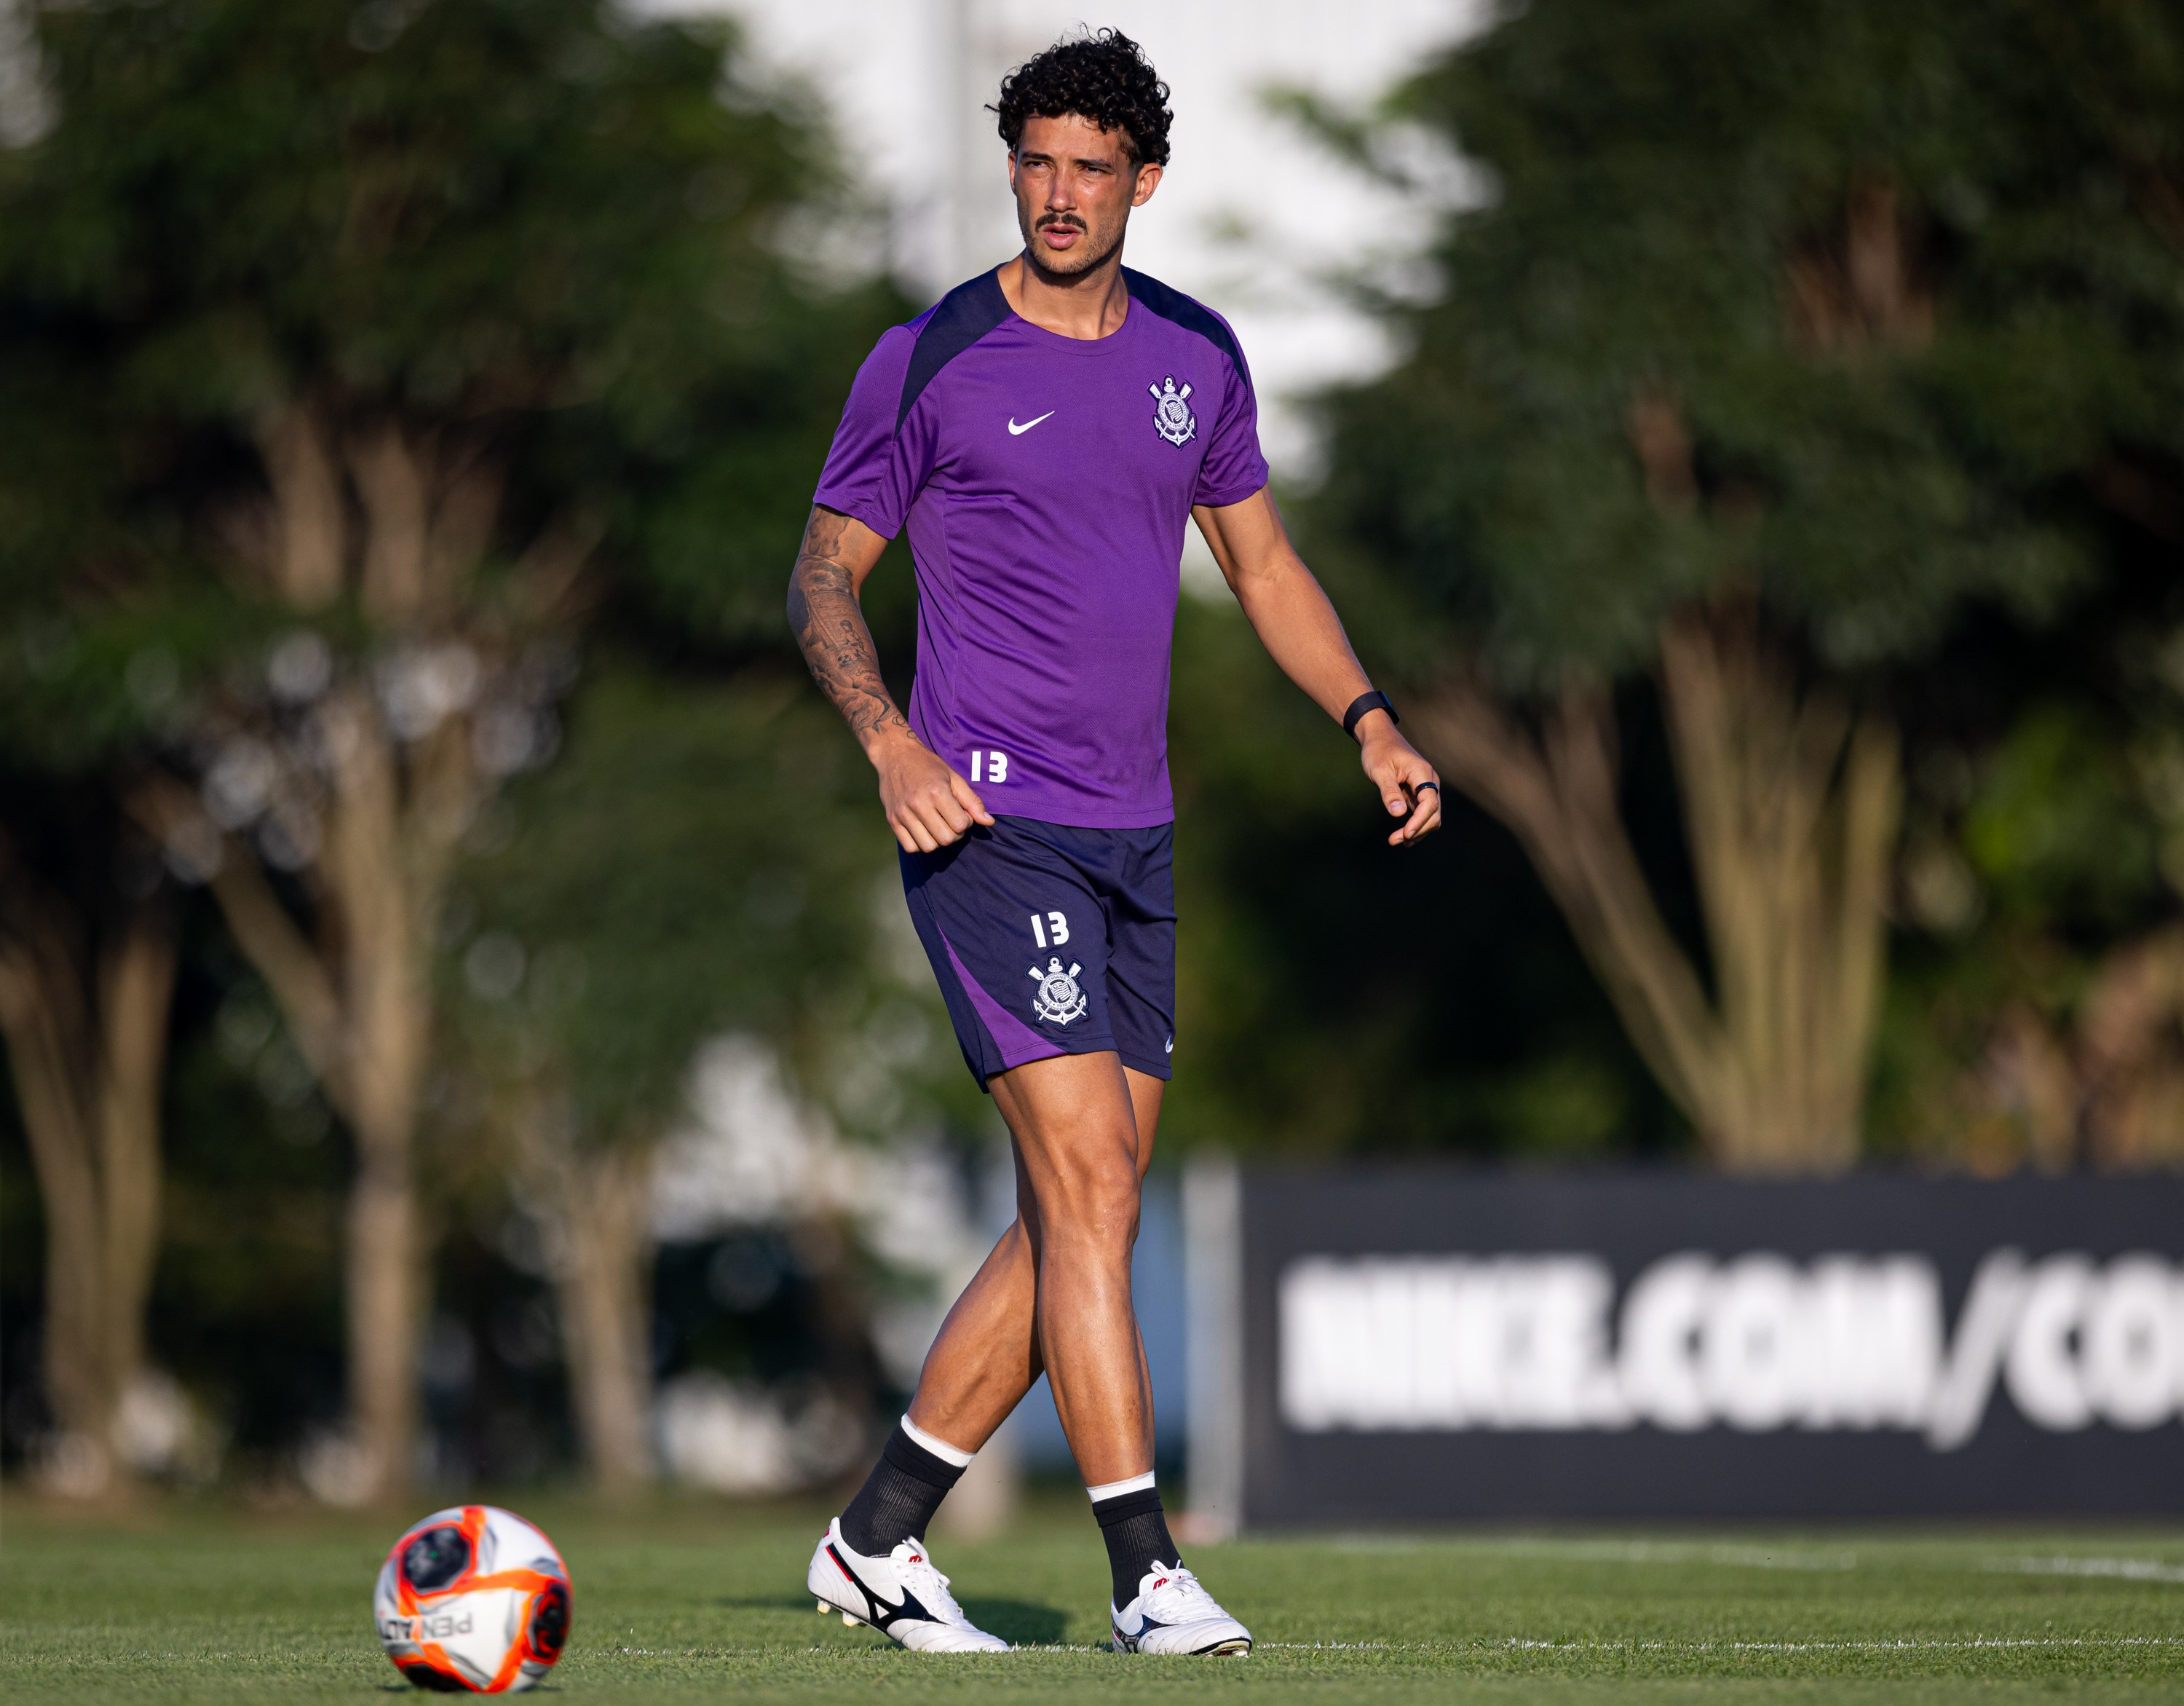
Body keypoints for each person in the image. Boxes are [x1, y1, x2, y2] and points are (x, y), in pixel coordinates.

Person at [786, 28, 1442, 1657]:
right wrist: (890, 743)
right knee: (1086, 1178)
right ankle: (1146, 1568)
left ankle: (875, 1538)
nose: (1061, 194)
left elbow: (1268, 566)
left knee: (1089, 1201)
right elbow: (820, 577)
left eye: (1094, 168)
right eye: (1037, 163)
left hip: (1134, 837)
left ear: (1147, 180)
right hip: (985, 823)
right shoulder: (929, 355)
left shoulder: (1200, 359)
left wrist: (1369, 714)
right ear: (1011, 167)